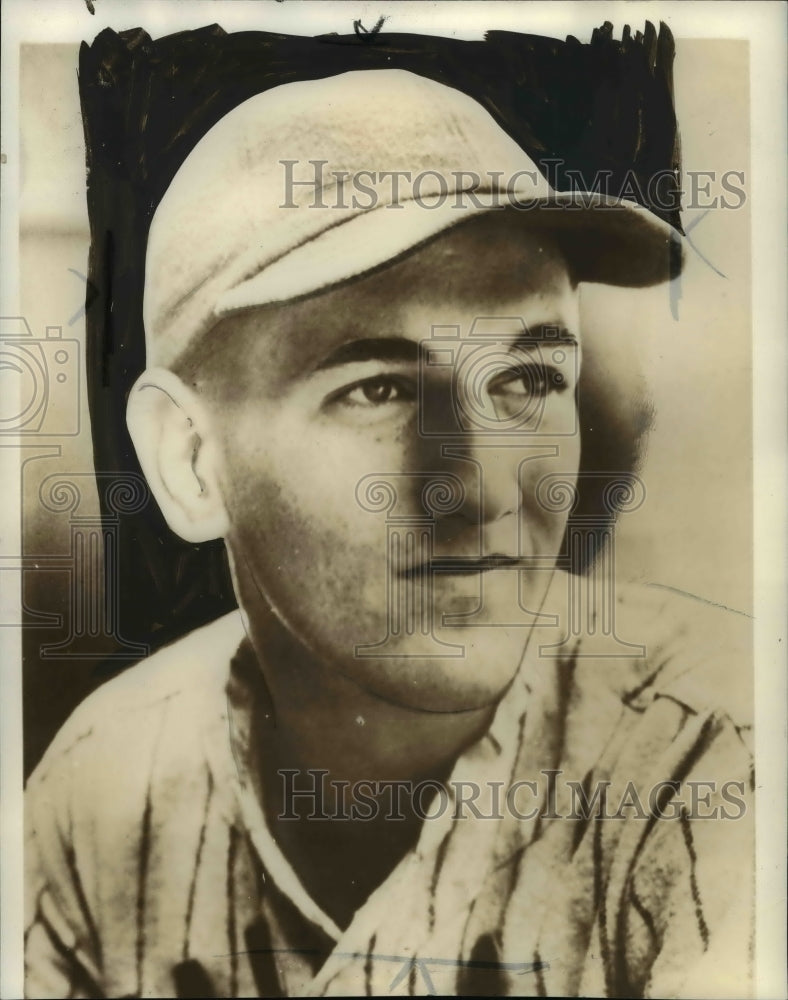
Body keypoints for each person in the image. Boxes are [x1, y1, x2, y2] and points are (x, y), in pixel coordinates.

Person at [25, 69, 752, 998]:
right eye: (378, 388)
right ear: (189, 460)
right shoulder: (102, 789)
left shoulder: (717, 764)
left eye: (527, 380)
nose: (480, 488)